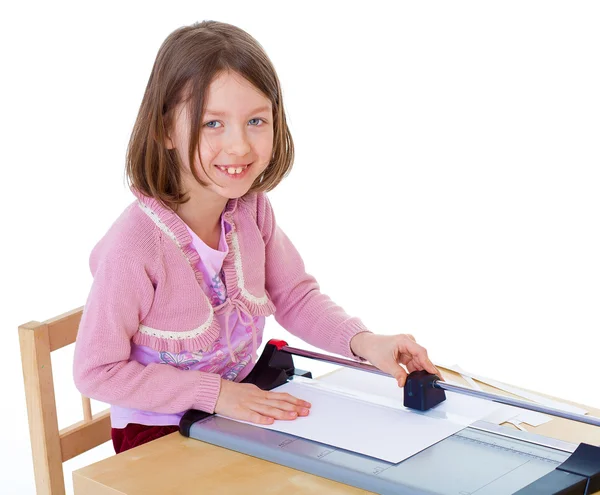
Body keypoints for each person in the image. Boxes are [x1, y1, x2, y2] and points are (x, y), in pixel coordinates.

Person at [73, 20, 440, 454]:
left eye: (255, 120)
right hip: (159, 431)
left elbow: (295, 297)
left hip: (241, 401)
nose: (240, 146)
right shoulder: (134, 247)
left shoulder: (252, 209)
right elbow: (96, 371)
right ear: (165, 129)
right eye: (213, 123)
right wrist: (217, 395)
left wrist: (364, 342)